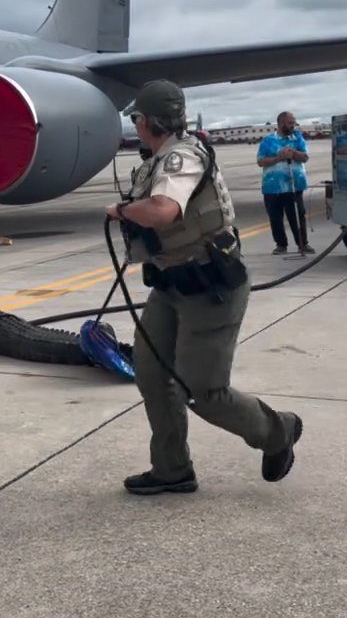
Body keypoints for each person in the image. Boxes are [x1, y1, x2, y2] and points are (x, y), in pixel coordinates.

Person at [107, 79, 302, 496]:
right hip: (171, 285)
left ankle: (276, 431)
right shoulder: (155, 160)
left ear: (148, 120)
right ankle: (172, 468)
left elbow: (162, 211)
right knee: (152, 371)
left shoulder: (182, 157)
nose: (136, 125)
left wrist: (120, 210)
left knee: (204, 390)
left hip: (210, 287)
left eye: (137, 118)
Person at [257, 111, 315, 254]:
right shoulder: (268, 141)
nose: (293, 125)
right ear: (281, 123)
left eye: (294, 122)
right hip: (273, 186)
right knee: (275, 217)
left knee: (297, 215)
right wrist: (278, 158)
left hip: (294, 185)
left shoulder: (297, 138)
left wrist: (294, 153)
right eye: (290, 123)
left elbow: (305, 157)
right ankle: (281, 244)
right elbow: (260, 161)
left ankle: (302, 243)